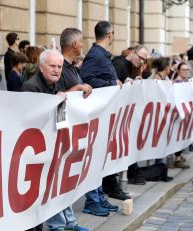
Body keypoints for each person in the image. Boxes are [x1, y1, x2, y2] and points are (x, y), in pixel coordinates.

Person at [23, 49, 87, 231]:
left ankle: (67, 223)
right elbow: (30, 119)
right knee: (41, 191)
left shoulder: (57, 84)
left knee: (58, 186)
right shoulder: (31, 86)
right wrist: (54, 102)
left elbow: (59, 117)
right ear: (41, 67)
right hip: (35, 149)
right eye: (52, 66)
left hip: (54, 143)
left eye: (59, 66)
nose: (57, 70)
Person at [80, 20, 121, 216]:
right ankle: (93, 201)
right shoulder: (96, 54)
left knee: (99, 160)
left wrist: (113, 82)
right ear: (109, 35)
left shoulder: (101, 54)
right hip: (96, 115)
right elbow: (86, 78)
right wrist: (110, 83)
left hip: (104, 114)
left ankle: (99, 197)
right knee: (94, 159)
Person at [112, 44, 149, 185]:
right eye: (140, 58)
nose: (141, 62)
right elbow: (114, 85)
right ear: (133, 53)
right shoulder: (120, 64)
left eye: (144, 60)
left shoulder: (130, 66)